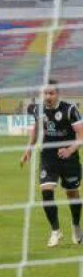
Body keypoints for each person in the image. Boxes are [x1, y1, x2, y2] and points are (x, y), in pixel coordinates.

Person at [20, 79, 83, 247]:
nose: (48, 96)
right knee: (46, 191)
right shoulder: (38, 110)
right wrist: (29, 149)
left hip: (69, 158)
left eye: (51, 93)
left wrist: (69, 150)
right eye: (45, 93)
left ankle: (76, 225)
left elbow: (81, 136)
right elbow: (36, 129)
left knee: (72, 194)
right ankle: (56, 231)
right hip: (48, 156)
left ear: (58, 94)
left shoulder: (70, 110)